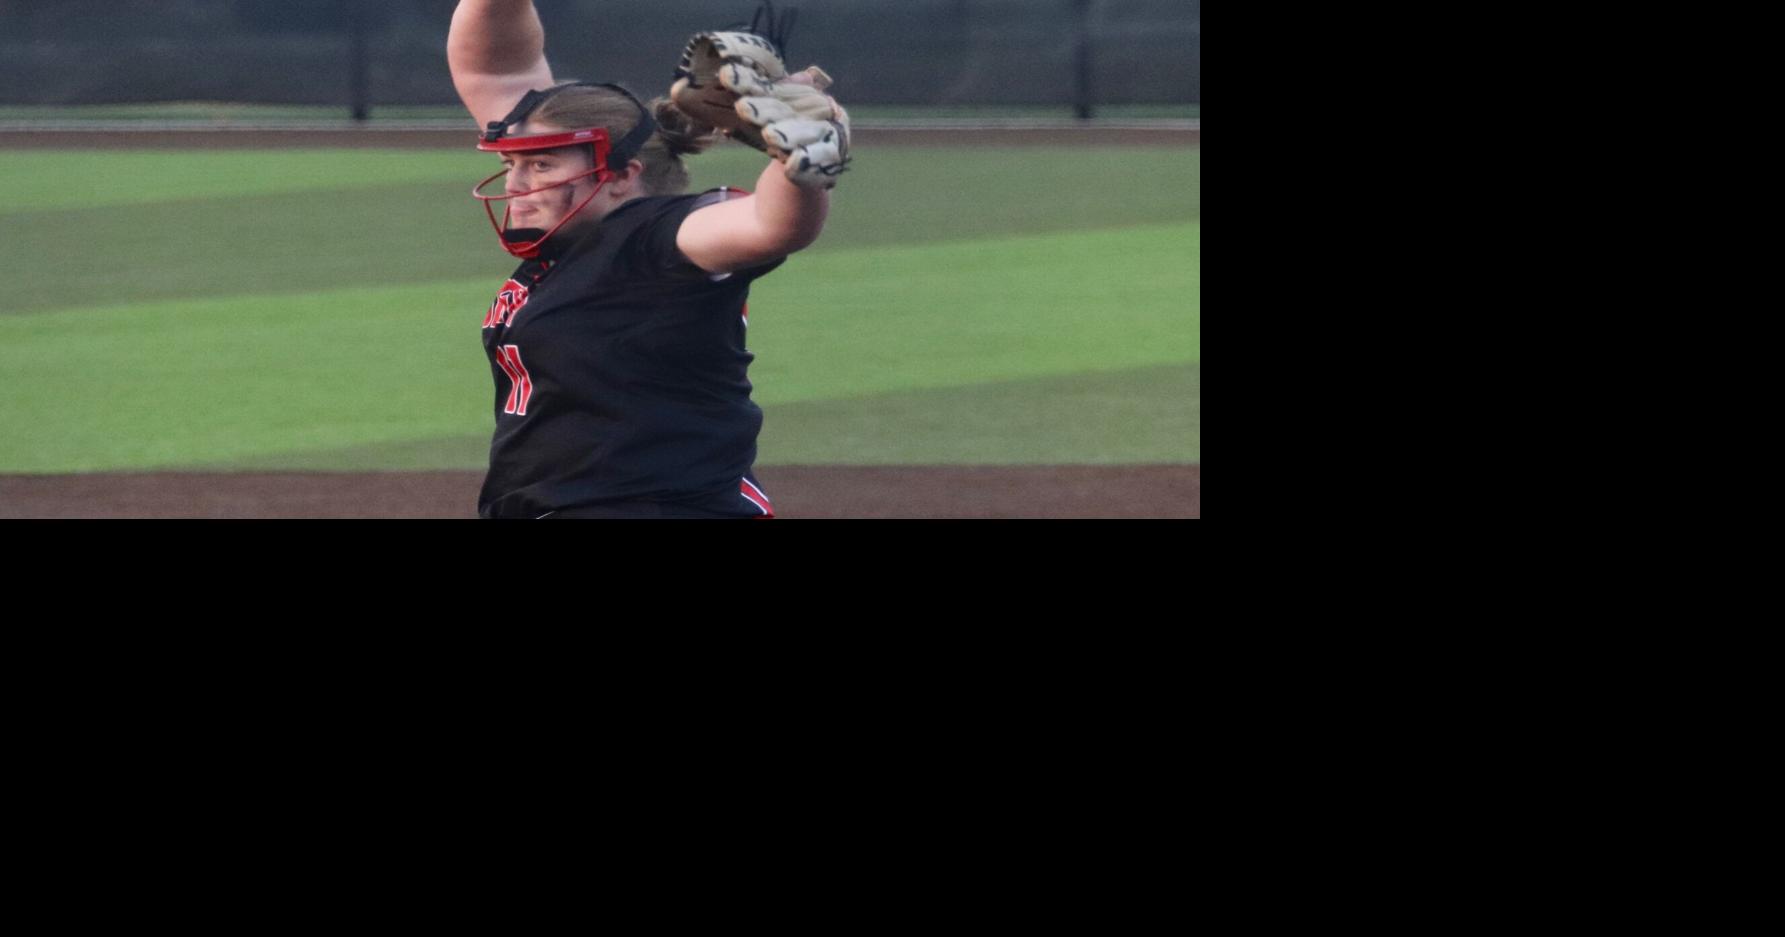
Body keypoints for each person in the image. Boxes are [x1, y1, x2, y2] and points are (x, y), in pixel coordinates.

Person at [447, 0, 843, 518]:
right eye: (511, 162)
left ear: (621, 175)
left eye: (541, 165)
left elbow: (774, 226)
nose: (517, 183)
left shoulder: (657, 238)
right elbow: (493, 70)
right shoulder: (568, 240)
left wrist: (802, 152)